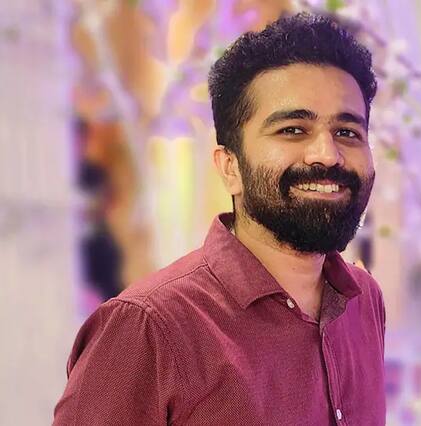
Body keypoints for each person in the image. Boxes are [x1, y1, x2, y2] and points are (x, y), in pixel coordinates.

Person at [54, 12, 386, 425]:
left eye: (348, 133)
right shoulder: (147, 327)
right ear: (230, 167)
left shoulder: (363, 302)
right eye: (292, 130)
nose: (327, 154)